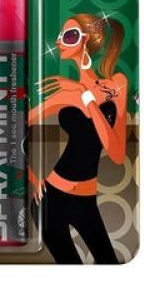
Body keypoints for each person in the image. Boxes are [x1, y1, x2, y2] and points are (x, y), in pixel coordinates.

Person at [28, 14, 127, 264]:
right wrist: (31, 177)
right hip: (49, 201)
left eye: (69, 36)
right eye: (60, 36)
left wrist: (86, 97)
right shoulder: (64, 93)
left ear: (87, 40)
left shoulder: (116, 85)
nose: (59, 42)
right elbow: (12, 128)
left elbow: (116, 153)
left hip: (86, 201)